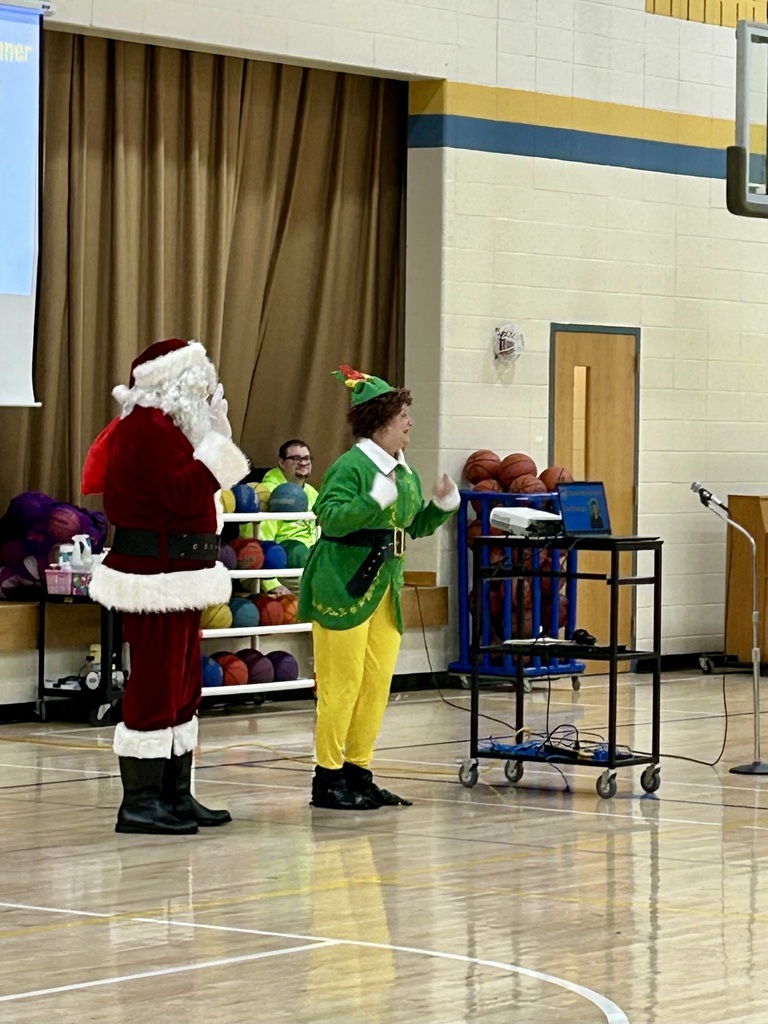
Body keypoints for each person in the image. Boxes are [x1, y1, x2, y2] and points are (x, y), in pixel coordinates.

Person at [83, 338, 249, 835]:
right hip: (155, 577)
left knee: (182, 687)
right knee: (156, 684)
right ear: (174, 383)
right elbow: (177, 495)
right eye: (199, 381)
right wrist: (217, 448)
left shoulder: (169, 430)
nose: (207, 391)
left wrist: (212, 442)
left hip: (178, 575)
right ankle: (140, 802)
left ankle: (175, 793)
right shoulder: (147, 429)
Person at [298, 366, 459, 810]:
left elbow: (406, 527)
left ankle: (358, 772)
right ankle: (327, 778)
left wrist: (441, 508)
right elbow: (329, 518)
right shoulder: (350, 467)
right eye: (404, 414)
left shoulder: (401, 471)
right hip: (343, 588)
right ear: (382, 421)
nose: (409, 423)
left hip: (385, 592)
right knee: (340, 686)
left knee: (374, 686)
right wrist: (372, 499)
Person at [244, 440, 319, 596]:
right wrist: (271, 584)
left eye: (307, 458)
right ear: (281, 462)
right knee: (296, 552)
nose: (303, 463)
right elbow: (257, 542)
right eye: (296, 459)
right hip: (276, 568)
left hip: (309, 565)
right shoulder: (268, 493)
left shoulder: (313, 493)